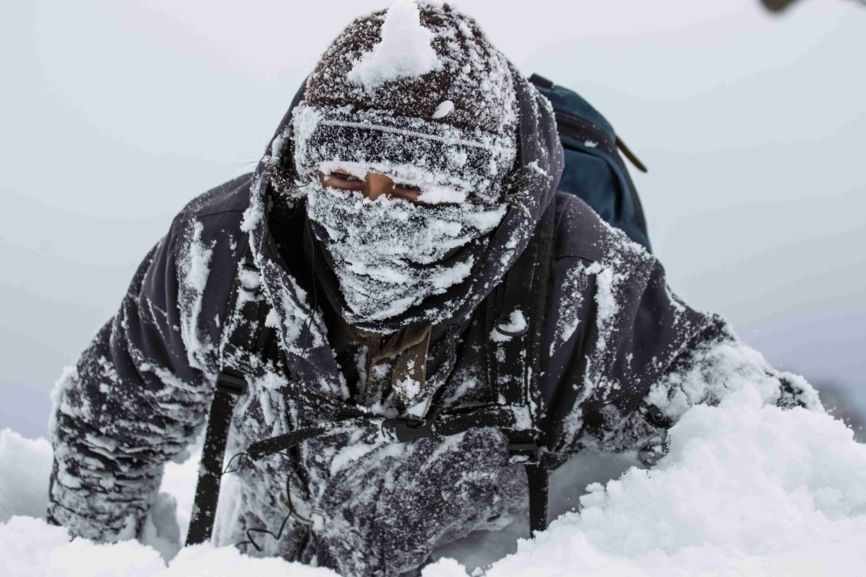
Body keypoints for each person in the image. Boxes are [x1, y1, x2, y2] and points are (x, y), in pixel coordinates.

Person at [46, 2, 821, 576]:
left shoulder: (578, 276)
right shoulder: (220, 254)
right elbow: (112, 420)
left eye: (413, 191)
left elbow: (763, 435)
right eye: (346, 178)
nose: (373, 215)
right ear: (303, 167)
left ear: (485, 193)